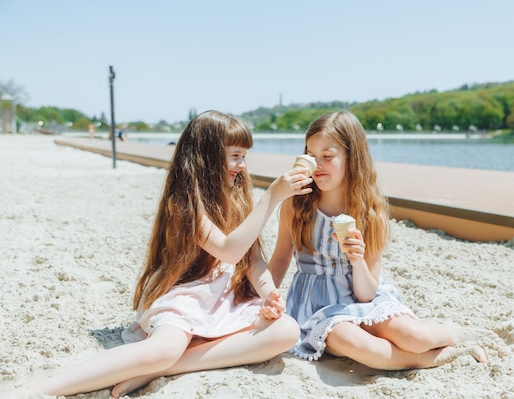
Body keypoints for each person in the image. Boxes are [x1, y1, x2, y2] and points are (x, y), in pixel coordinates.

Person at [7, 110, 313, 399]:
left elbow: (252, 259)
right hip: (185, 294)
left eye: (245, 156)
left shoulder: (238, 197)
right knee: (165, 347)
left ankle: (168, 368)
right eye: (235, 156)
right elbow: (229, 252)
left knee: (286, 330)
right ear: (207, 158)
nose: (242, 165)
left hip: (225, 296)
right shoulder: (184, 203)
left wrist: (269, 293)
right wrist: (272, 196)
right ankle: (45, 389)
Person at [269, 110, 489, 369]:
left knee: (415, 337)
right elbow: (281, 256)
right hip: (317, 307)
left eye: (327, 157)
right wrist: (263, 297)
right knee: (350, 341)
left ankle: (451, 333)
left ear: (352, 158)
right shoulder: (296, 204)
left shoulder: (370, 212)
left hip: (363, 297)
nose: (317, 165)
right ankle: (442, 357)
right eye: (311, 155)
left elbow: (366, 295)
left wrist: (357, 260)